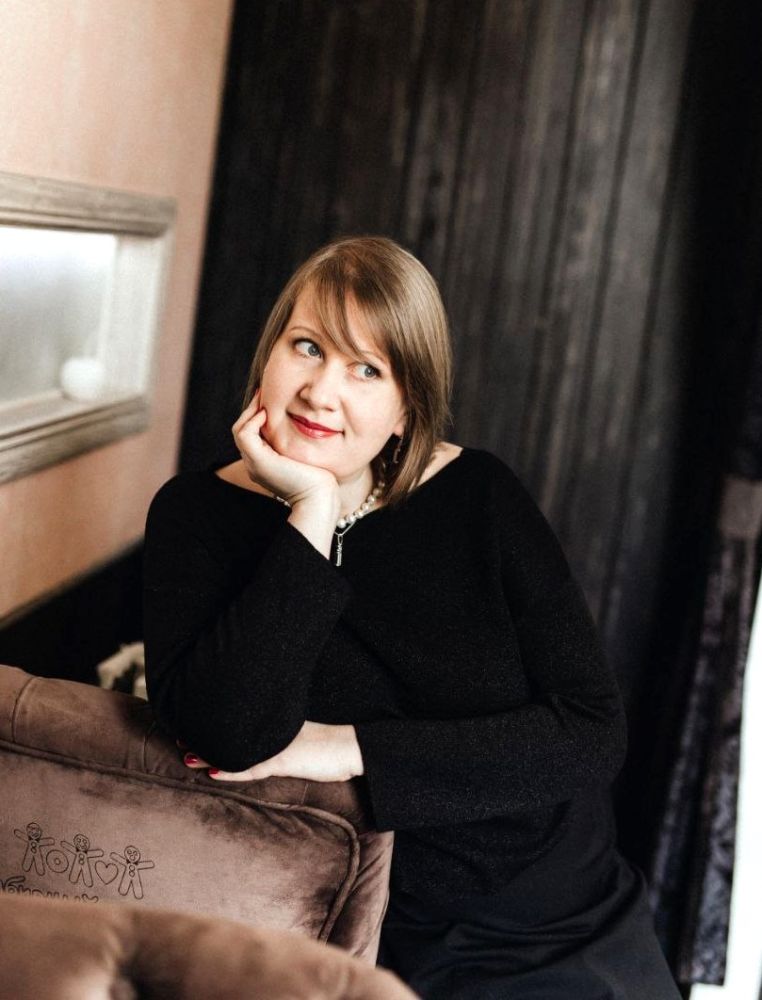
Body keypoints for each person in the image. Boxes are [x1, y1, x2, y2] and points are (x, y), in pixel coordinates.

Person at [142, 236, 681, 998]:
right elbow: (225, 732)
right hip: (372, 933)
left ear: (405, 411)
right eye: (307, 347)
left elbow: (592, 732)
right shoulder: (193, 516)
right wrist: (311, 514)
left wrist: (348, 748)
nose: (322, 391)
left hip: (560, 916)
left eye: (367, 369)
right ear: (269, 354)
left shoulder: (480, 497)